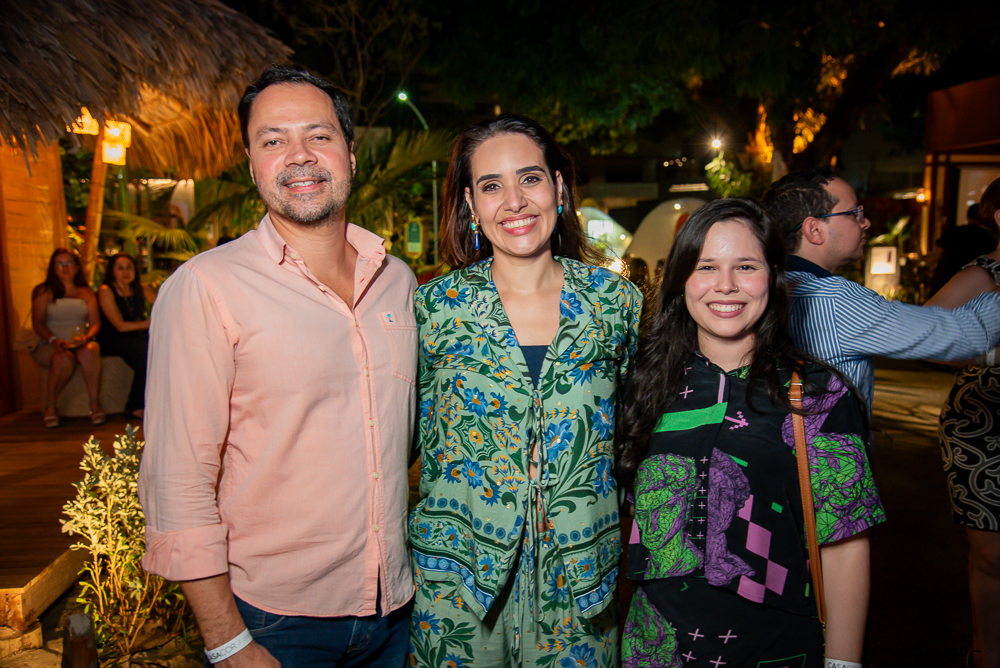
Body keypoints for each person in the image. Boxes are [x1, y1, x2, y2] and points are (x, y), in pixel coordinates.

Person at [138, 64, 417, 668]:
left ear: (349, 150)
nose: (299, 156)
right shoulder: (206, 288)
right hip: (273, 625)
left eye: (318, 135)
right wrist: (228, 642)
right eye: (273, 140)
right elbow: (177, 484)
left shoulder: (398, 282)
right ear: (250, 163)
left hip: (396, 613)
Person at [409, 115, 642, 667]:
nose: (514, 201)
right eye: (492, 186)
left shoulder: (616, 303)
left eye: (530, 179)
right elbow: (398, 437)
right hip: (458, 581)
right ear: (470, 203)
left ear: (559, 188)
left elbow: (633, 431)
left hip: (581, 578)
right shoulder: (432, 308)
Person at [616, 198, 883, 667]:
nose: (726, 286)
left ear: (774, 276)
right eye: (706, 267)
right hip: (653, 649)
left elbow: (844, 546)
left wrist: (843, 662)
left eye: (745, 266)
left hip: (775, 647)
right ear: (681, 279)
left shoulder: (819, 395)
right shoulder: (639, 382)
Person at [761, 167, 1000, 411]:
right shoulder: (838, 301)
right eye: (854, 213)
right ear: (815, 230)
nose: (865, 222)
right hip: (820, 447)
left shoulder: (759, 288)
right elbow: (965, 334)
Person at [925, 177, 1000, 668]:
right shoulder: (982, 276)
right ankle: (985, 655)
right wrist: (989, 353)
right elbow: (922, 331)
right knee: (994, 556)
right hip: (984, 423)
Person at [30, 248, 103, 427]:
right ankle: (50, 406)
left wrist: (86, 338)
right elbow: (38, 322)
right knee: (63, 359)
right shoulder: (43, 291)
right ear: (53, 268)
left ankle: (94, 403)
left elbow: (95, 323)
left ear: (77, 267)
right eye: (59, 264)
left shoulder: (86, 292)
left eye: (68, 263)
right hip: (49, 341)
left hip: (78, 340)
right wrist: (54, 340)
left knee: (90, 351)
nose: (64, 268)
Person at [97, 253, 156, 419]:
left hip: (135, 334)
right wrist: (153, 322)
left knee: (164, 348)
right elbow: (120, 326)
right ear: (112, 271)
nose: (125, 272)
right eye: (120, 268)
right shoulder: (106, 290)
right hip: (113, 337)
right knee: (146, 353)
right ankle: (134, 406)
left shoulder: (140, 288)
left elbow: (164, 304)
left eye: (129, 267)